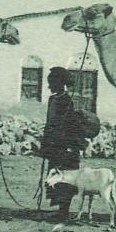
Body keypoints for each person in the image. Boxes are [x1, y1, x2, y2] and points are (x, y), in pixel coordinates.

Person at [41, 67, 84, 220]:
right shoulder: (53, 99)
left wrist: (69, 143)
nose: (49, 86)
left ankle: (64, 212)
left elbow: (74, 125)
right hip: (55, 146)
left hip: (67, 147)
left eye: (51, 83)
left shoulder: (69, 100)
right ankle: (60, 210)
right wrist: (46, 143)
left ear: (59, 83)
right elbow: (50, 123)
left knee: (66, 178)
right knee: (55, 177)